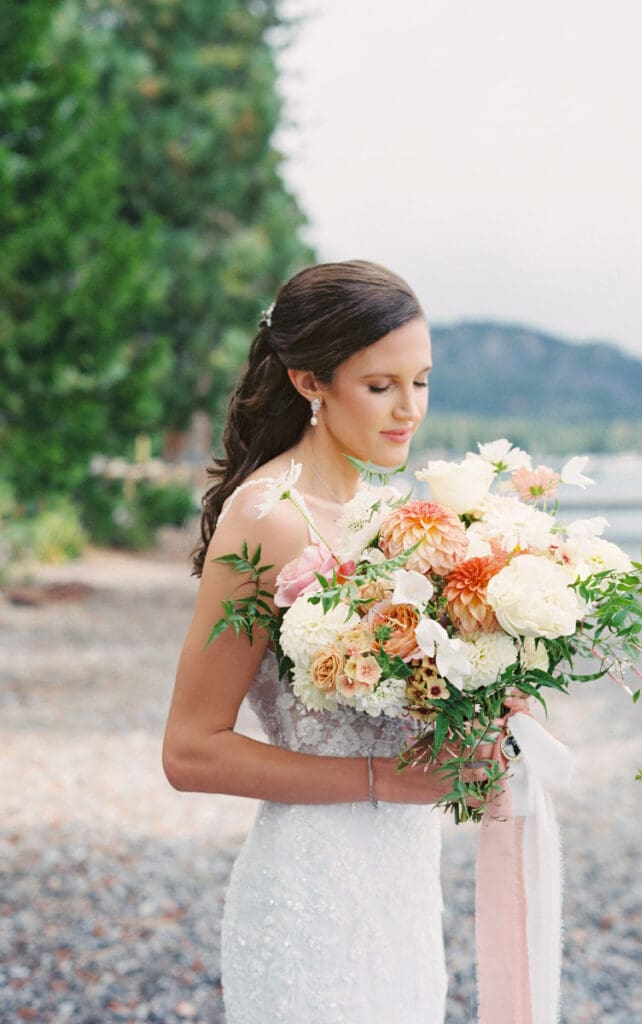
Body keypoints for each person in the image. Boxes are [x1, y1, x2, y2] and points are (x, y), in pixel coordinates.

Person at [162, 260, 454, 1023]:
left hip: (404, 885)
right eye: (381, 385)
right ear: (308, 382)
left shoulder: (389, 516)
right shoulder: (266, 517)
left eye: (420, 381)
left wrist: (475, 705)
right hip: (311, 896)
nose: (409, 409)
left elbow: (401, 709)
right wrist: (384, 779)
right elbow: (189, 751)